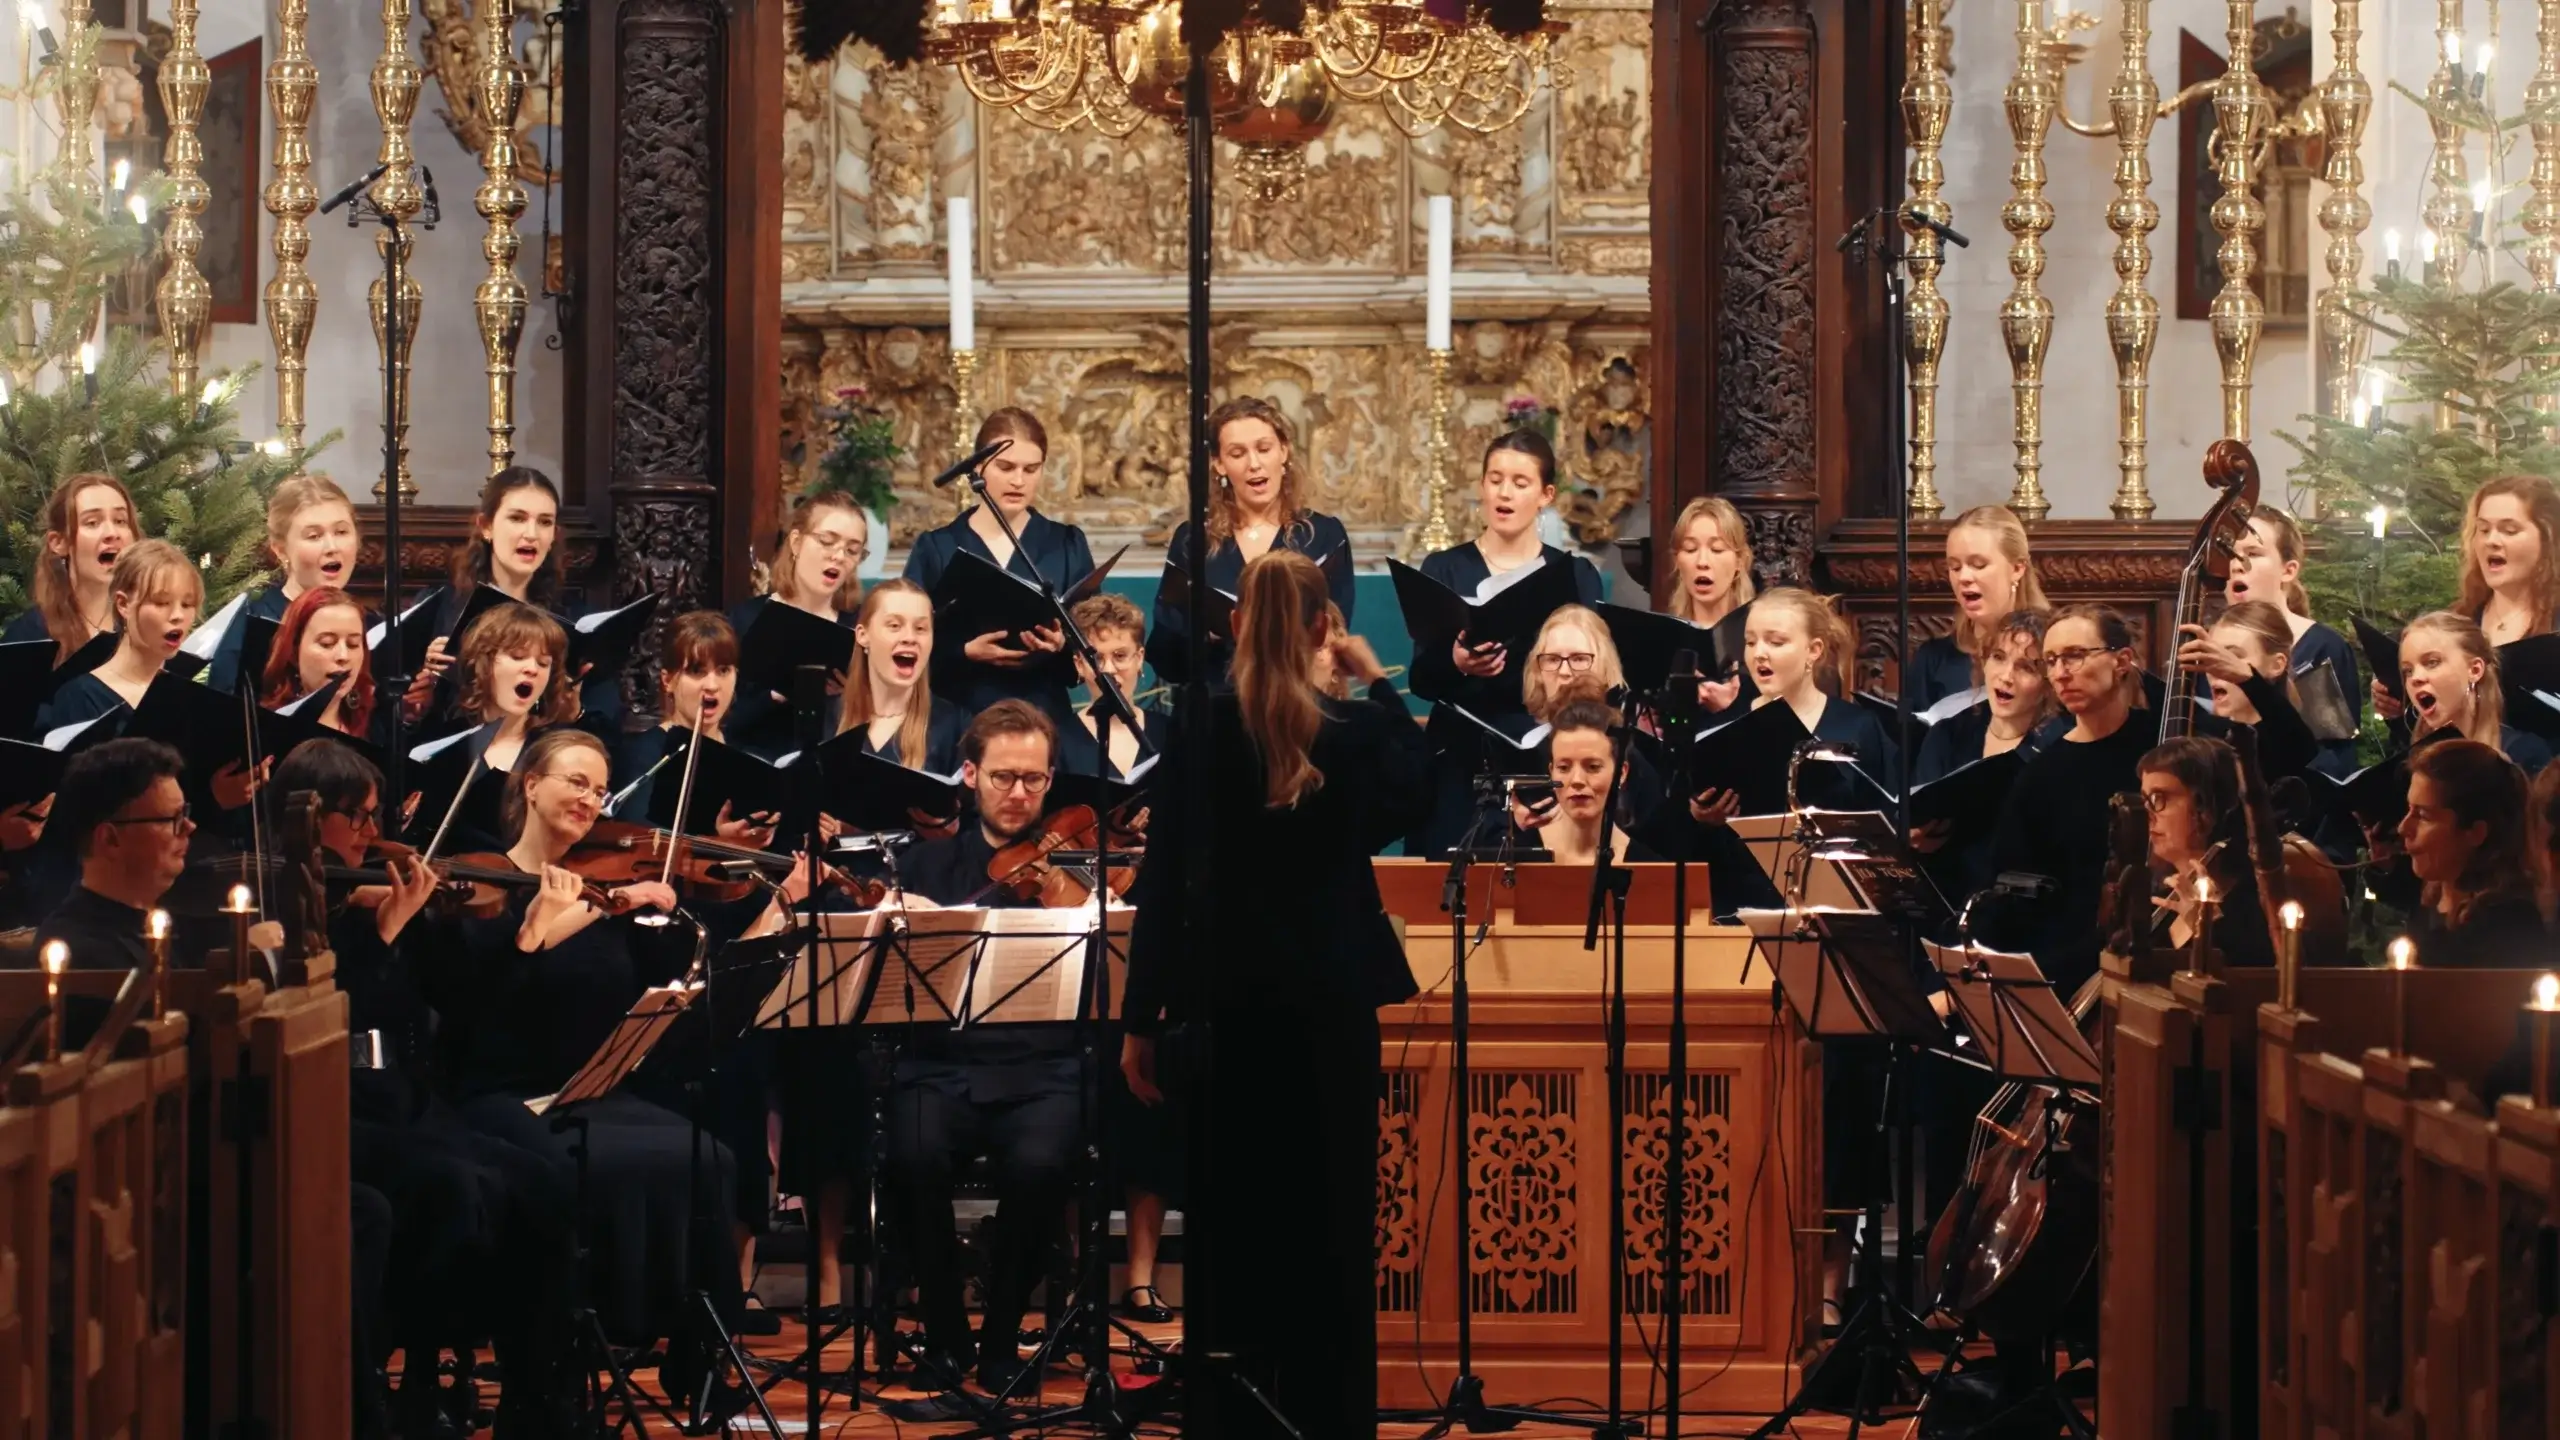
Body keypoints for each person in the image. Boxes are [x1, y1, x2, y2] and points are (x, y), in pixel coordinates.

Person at [1120, 550, 1427, 1440]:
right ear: (1324, 629)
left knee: (1234, 1222)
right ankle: (1330, 1416)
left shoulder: (1202, 729)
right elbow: (1413, 794)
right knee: (1332, 1221)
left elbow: (1164, 882)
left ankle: (1231, 1412)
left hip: (1228, 1007)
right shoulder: (1356, 733)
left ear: (1236, 628)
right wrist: (1376, 686)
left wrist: (1142, 1021)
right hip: (1329, 1010)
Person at [438, 728, 747, 1416]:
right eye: (575, 782)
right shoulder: (483, 888)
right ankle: (569, 1353)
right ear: (530, 786)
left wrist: (661, 935)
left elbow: (649, 1020)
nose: (590, 799)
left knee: (712, 1157)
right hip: (502, 1097)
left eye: (600, 789)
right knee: (578, 1167)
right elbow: (474, 1022)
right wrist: (531, 936)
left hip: (595, 1091)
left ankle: (694, 1361)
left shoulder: (604, 893)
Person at [278, 737, 578, 1440]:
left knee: (542, 1183)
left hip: (407, 1097)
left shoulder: (388, 889)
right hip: (333, 1105)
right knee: (452, 1188)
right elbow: (309, 1016)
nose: (370, 835)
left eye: (375, 816)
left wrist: (513, 935)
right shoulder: (284, 896)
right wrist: (381, 933)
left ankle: (537, 1399)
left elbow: (466, 1003)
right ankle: (415, 1387)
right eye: (355, 818)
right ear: (308, 817)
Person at [883, 699, 1082, 1395]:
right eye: (1002, 777)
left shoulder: (1079, 874)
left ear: (1052, 779)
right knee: (910, 1156)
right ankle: (944, 1336)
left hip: (1043, 1070)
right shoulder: (925, 866)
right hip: (941, 1064)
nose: (1018, 793)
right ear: (969, 775)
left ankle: (1002, 1340)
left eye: (1033, 778)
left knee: (1040, 1166)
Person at [1408, 429, 1607, 854]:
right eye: (1495, 479)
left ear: (1545, 494)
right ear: (1482, 485)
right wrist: (1458, 661)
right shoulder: (1445, 568)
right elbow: (1422, 677)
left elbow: (1597, 674)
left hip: (1541, 753)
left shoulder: (1575, 575)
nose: (1505, 492)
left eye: (1520, 483)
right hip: (1461, 754)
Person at [1984, 605, 2155, 995]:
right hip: (2066, 964)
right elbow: (2007, 887)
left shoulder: (2163, 741)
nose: (2060, 672)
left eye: (2075, 655)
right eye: (2051, 660)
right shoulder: (2041, 773)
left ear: (2122, 660)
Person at [902, 408, 1096, 725]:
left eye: (1031, 469)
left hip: (1044, 716)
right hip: (958, 715)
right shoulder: (937, 547)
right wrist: (964, 652)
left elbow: (1092, 642)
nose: (1018, 480)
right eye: (1006, 467)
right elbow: (906, 639)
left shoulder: (1066, 544)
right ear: (979, 465)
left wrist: (1063, 645)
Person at [1146, 396, 1355, 685]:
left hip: (1299, 705)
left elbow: (1336, 634)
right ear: (1219, 464)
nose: (1253, 464)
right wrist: (1207, 634)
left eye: (1264, 449)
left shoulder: (1323, 535)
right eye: (1237, 453)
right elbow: (1163, 653)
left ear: (1284, 452)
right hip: (1217, 708)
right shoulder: (1193, 539)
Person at [29, 738, 189, 1047]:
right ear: (110, 839)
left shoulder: (158, 924)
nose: (189, 827)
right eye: (173, 819)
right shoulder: (81, 954)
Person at [1911, 608, 2053, 907]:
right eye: (1998, 657)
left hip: (2027, 909)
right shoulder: (1948, 735)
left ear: (2048, 682)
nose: (2006, 677)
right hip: (1946, 903)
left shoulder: (2058, 746)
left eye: (2026, 667)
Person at [2364, 738, 2548, 965]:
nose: (2403, 828)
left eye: (2423, 816)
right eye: (2409, 809)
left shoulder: (2509, 927)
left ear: (2475, 832)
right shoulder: (2432, 900)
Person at [419, 604, 583, 851]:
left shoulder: (556, 751)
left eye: (543, 663)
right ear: (483, 663)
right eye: (517, 657)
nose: (531, 669)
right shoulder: (441, 742)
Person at [612, 611, 780, 848]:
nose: (712, 685)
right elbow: (639, 841)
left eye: (723, 670)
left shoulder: (749, 757)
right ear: (667, 680)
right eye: (696, 671)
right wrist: (718, 841)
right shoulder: (643, 756)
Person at [421, 468, 569, 722]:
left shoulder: (567, 615)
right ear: (486, 526)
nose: (531, 534)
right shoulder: (439, 607)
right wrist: (426, 676)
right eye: (517, 518)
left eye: (544, 522)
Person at [2223, 504, 2361, 771]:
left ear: (2288, 570)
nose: (2236, 565)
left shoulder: (2320, 646)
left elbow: (2332, 757)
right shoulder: (2212, 646)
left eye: (2253, 553)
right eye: (2230, 554)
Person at [726, 490, 865, 754]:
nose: (839, 556)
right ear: (796, 542)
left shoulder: (859, 627)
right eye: (827, 541)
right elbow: (721, 720)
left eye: (852, 550)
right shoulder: (745, 620)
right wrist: (776, 694)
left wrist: (853, 696)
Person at [209, 474, 361, 694]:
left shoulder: (370, 623)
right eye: (314, 536)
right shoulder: (255, 624)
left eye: (341, 532)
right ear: (280, 550)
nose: (331, 546)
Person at [2135, 736, 2274, 968]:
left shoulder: (2253, 903)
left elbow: (2246, 983)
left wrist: (2211, 928)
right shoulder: (2160, 896)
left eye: (2160, 798)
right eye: (2145, 800)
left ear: (2208, 806)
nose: (2147, 813)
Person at [1909, 506, 2048, 710]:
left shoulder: (2052, 647)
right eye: (1955, 567)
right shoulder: (1933, 659)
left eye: (1978, 564)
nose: (1963, 577)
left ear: (2017, 568)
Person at [2171, 599, 2323, 783]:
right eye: (2213, 654)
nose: (2216, 667)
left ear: (2277, 665)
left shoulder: (2286, 736)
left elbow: (2299, 745)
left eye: (2233, 656)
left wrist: (2246, 678)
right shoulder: (2205, 734)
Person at [2385, 611, 2552, 774]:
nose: (2416, 678)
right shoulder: (2411, 763)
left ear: (2474, 669)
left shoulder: (2524, 754)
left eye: (2432, 662)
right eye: (2408, 671)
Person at [835, 578, 969, 771]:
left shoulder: (956, 726)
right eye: (894, 626)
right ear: (863, 635)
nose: (910, 638)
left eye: (920, 628)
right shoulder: (824, 718)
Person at [4, 472, 137, 659]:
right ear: (59, 542)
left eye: (120, 521)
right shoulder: (29, 638)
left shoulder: (150, 621)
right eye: (92, 523)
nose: (112, 533)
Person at [1509, 697, 1655, 865]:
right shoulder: (1513, 859)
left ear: (1621, 773)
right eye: (1563, 767)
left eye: (1593, 767)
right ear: (1551, 772)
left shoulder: (1649, 867)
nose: (1577, 780)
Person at [1060, 591, 1167, 779]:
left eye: (1120, 656)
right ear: (1079, 664)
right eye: (1096, 659)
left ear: (1139, 658)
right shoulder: (1058, 741)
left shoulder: (1170, 734)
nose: (1108, 669)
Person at [259, 585, 378, 740]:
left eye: (353, 644)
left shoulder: (373, 724)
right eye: (327, 643)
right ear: (294, 652)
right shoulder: (266, 730)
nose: (343, 656)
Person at [2455, 473, 2560, 644]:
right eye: (2483, 529)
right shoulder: (2457, 623)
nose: (2491, 541)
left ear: (2548, 539)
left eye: (2509, 530)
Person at [1662, 494, 1756, 629]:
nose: (1702, 562)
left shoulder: (1755, 637)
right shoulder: (1664, 636)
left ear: (1739, 560)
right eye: (1691, 549)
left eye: (1716, 549)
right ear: (1677, 560)